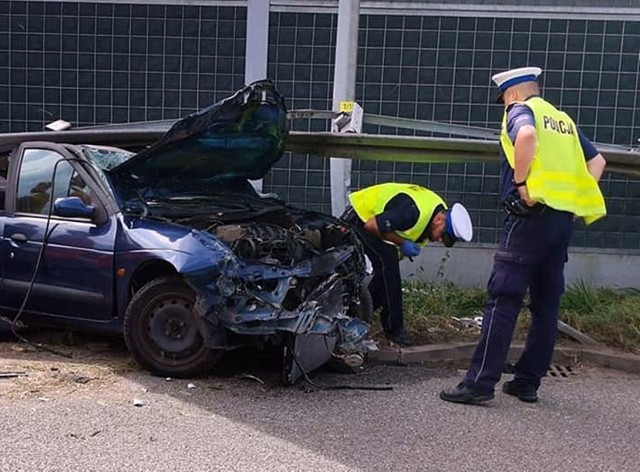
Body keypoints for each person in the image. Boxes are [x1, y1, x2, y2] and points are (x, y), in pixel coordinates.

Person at [440, 66, 607, 405]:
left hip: (528, 218)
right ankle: (527, 382)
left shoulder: (521, 111)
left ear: (512, 94)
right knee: (546, 304)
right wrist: (574, 201)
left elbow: (526, 136)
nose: (503, 106)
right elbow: (598, 161)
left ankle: (479, 383)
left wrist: (521, 183)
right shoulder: (563, 121)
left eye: (502, 100)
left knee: (504, 298)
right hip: (561, 223)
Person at [342, 183, 473, 347]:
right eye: (443, 235)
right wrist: (403, 243)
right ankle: (395, 331)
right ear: (439, 219)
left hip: (374, 221)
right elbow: (372, 225)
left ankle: (355, 313)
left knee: (386, 275)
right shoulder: (413, 213)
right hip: (359, 219)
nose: (440, 240)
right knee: (387, 264)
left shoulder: (437, 214)